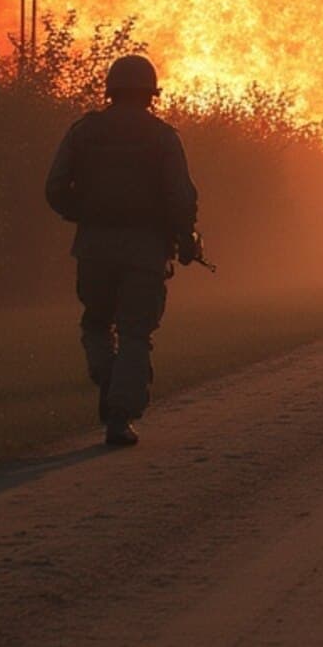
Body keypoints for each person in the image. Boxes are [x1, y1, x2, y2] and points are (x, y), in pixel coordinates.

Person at [44, 55, 200, 447]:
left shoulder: (83, 132)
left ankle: (109, 377)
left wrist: (86, 215)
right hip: (146, 251)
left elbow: (55, 188)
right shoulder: (163, 137)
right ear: (151, 93)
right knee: (134, 333)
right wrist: (185, 238)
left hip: (94, 248)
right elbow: (180, 196)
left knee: (96, 323)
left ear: (111, 89)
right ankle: (119, 415)